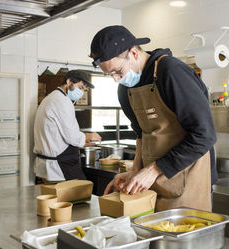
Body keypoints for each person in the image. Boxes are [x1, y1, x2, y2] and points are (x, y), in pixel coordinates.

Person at [89, 25, 217, 211]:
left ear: (133, 53)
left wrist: (152, 170)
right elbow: (141, 133)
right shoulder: (125, 89)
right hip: (153, 180)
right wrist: (135, 171)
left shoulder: (171, 72)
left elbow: (205, 135)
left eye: (118, 71)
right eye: (110, 75)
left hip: (189, 179)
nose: (116, 79)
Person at [33, 70, 101, 183]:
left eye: (84, 89)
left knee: (58, 199)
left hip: (48, 164)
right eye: (80, 87)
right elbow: (72, 136)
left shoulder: (51, 97)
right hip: (59, 167)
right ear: (69, 82)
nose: (82, 92)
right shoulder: (62, 101)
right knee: (80, 194)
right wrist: (88, 136)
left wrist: (82, 140)